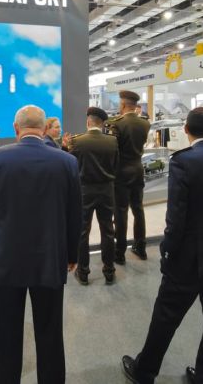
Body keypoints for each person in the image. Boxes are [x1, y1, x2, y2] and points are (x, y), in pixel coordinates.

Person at [121, 107, 203, 384]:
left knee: (166, 316)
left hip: (188, 256)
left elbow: (176, 216)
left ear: (186, 130)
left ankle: (145, 371)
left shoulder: (183, 161)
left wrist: (167, 251)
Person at [0, 105, 82, 384]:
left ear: (16, 128)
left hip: (5, 262)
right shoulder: (67, 162)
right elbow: (74, 215)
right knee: (50, 331)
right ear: (44, 129)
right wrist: (72, 254)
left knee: (7, 333)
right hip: (50, 260)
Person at [69, 107, 119, 285]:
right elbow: (115, 166)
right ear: (102, 123)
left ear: (88, 122)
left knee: (83, 232)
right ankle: (109, 271)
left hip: (84, 191)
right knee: (108, 230)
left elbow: (72, 168)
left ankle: (83, 272)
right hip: (107, 190)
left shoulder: (77, 141)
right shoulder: (112, 141)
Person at [106, 90, 150, 263]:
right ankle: (141, 247)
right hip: (138, 169)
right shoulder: (145, 123)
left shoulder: (116, 123)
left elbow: (112, 150)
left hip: (121, 172)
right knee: (138, 209)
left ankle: (120, 252)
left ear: (123, 104)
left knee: (121, 211)